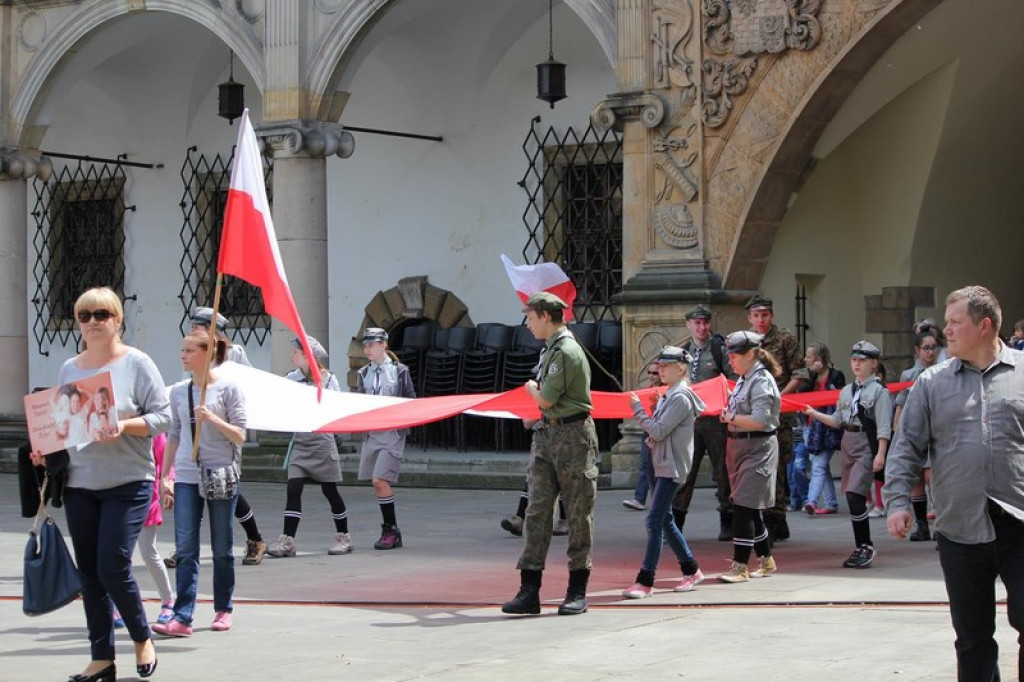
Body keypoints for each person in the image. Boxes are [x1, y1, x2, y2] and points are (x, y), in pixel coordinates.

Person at [885, 286, 1024, 681]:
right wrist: (896, 502)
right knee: (972, 637)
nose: (945, 331)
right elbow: (906, 446)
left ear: (984, 326)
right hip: (960, 528)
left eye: (955, 323)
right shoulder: (931, 383)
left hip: (1019, 523)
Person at [49, 286, 169, 681]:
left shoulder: (137, 363)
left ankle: (140, 636)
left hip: (128, 481)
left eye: (102, 314)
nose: (93, 322)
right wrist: (46, 445)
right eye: (85, 316)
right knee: (90, 573)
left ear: (118, 320)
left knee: (113, 565)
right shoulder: (70, 368)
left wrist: (123, 426)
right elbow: (66, 424)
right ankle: (101, 657)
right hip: (81, 482)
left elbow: (164, 418)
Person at [502, 292, 599, 616]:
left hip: (572, 438)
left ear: (545, 316)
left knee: (577, 514)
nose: (527, 324)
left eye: (530, 317)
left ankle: (577, 590)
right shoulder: (552, 350)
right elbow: (549, 406)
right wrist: (540, 414)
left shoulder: (565, 351)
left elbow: (544, 398)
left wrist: (532, 391)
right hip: (548, 434)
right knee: (537, 512)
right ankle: (529, 589)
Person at [152, 331, 247, 637]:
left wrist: (213, 420)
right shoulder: (180, 391)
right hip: (187, 474)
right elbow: (175, 435)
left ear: (207, 354)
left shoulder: (229, 389)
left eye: (189, 350)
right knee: (186, 548)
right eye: (182, 350)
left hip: (219, 472)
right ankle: (182, 616)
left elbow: (240, 435)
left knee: (221, 547)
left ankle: (223, 607)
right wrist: (165, 475)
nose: (182, 355)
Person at [166, 306, 266, 567]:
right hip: (193, 435)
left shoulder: (233, 354)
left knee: (226, 490)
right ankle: (184, 547)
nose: (193, 330)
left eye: (199, 326)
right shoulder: (190, 353)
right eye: (193, 326)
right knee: (194, 490)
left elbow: (247, 386)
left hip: (223, 434)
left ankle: (255, 538)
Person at [622, 346, 707, 598]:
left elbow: (658, 431)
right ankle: (691, 570)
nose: (660, 369)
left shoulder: (679, 397)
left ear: (680, 368)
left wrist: (637, 410)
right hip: (661, 461)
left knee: (655, 520)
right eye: (660, 365)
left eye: (665, 365)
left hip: (670, 466)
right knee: (665, 520)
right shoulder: (671, 394)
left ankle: (645, 580)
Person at [804, 341, 892, 569]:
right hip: (848, 443)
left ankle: (866, 545)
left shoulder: (879, 392)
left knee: (855, 496)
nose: (857, 364)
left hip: (865, 444)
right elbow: (837, 420)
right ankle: (860, 546)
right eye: (854, 359)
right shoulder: (846, 391)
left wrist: (880, 454)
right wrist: (814, 413)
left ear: (874, 363)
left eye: (862, 360)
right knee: (853, 499)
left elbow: (883, 427)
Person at [266, 336, 353, 557]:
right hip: (301, 442)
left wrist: (323, 395)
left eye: (295, 352)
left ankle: (344, 537)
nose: (291, 355)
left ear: (307, 356)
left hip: (322, 440)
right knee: (293, 488)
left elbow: (338, 407)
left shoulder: (328, 379)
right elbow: (279, 402)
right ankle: (288, 540)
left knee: (330, 490)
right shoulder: (291, 378)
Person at [717, 331, 782, 584]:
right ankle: (766, 559)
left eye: (735, 356)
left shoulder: (761, 381)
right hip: (739, 448)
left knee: (744, 507)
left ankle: (740, 565)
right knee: (750, 506)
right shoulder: (745, 378)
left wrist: (730, 417)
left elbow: (760, 420)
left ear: (752, 355)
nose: (731, 361)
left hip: (757, 447)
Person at [673, 303, 736, 540]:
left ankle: (727, 520)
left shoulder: (720, 349)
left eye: (705, 322)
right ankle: (677, 523)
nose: (701, 327)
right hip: (690, 421)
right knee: (685, 472)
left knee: (723, 471)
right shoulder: (683, 352)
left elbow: (732, 380)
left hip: (715, 421)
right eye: (697, 323)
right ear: (688, 325)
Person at [746, 294, 804, 543]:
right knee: (756, 467)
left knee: (777, 467)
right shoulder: (744, 342)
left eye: (765, 315)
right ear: (749, 318)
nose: (761, 320)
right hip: (752, 416)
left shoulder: (785, 339)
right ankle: (774, 520)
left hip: (779, 417)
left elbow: (800, 373)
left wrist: (778, 397)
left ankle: (773, 519)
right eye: (756, 315)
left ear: (772, 316)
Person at [355, 327, 417, 550]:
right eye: (365, 345)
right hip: (372, 432)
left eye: (372, 344)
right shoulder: (364, 373)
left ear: (384, 345)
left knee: (379, 480)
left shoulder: (399, 371)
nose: (367, 349)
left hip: (392, 432)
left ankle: (390, 529)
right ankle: (392, 530)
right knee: (378, 484)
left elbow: (411, 399)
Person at [892, 330, 942, 541]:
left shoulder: (943, 372)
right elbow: (901, 406)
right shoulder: (909, 375)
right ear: (917, 350)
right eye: (926, 348)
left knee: (934, 479)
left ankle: (941, 525)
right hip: (915, 430)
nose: (930, 352)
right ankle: (922, 525)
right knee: (917, 480)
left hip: (936, 431)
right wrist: (897, 432)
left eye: (933, 347)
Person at [796, 342, 845, 515]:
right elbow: (802, 393)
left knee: (818, 466)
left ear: (819, 359)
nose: (806, 360)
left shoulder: (836, 376)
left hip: (828, 427)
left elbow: (838, 395)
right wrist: (811, 375)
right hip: (810, 427)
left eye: (809, 357)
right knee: (822, 467)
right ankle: (831, 503)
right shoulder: (810, 377)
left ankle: (811, 501)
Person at [621, 362, 662, 512]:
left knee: (661, 469)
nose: (651, 376)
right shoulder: (647, 391)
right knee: (645, 466)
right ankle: (640, 499)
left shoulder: (667, 392)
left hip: (661, 433)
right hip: (648, 432)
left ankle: (660, 499)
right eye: (649, 373)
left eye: (654, 373)